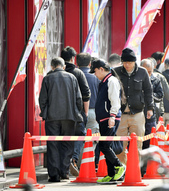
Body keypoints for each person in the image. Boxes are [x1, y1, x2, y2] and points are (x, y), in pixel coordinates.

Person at [39, 57, 83, 182]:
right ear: (63, 66)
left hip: (52, 117)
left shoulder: (47, 78)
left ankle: (54, 174)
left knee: (53, 144)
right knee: (67, 144)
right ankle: (64, 172)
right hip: (69, 117)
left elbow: (42, 99)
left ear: (52, 67)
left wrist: (45, 113)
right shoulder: (72, 78)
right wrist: (76, 112)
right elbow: (79, 99)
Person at [114, 48, 154, 164]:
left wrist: (150, 108)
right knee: (120, 145)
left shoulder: (142, 72)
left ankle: (136, 169)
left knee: (137, 144)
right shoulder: (116, 72)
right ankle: (122, 169)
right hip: (120, 114)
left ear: (134, 62)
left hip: (137, 113)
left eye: (130, 62)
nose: (127, 65)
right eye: (125, 62)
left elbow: (148, 90)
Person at [89, 59, 126, 183]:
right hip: (105, 118)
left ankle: (119, 166)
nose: (95, 75)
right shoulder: (105, 81)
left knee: (103, 146)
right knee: (106, 145)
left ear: (101, 69)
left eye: (95, 71)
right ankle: (111, 174)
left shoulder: (111, 81)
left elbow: (115, 100)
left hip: (110, 118)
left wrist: (112, 116)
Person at [61, 47, 91, 176]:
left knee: (61, 138)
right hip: (76, 112)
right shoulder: (78, 73)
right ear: (73, 58)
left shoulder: (53, 73)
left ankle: (62, 167)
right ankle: (73, 158)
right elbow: (86, 94)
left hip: (58, 113)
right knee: (80, 135)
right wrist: (85, 112)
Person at [148, 57, 169, 122]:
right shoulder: (160, 76)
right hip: (157, 108)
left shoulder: (140, 76)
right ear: (155, 66)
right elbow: (167, 93)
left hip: (142, 110)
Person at [141, 59, 163, 149]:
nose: (148, 74)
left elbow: (160, 95)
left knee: (150, 136)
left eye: (150, 72)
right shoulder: (136, 80)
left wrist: (149, 95)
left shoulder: (156, 80)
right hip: (137, 112)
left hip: (150, 113)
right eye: (146, 72)